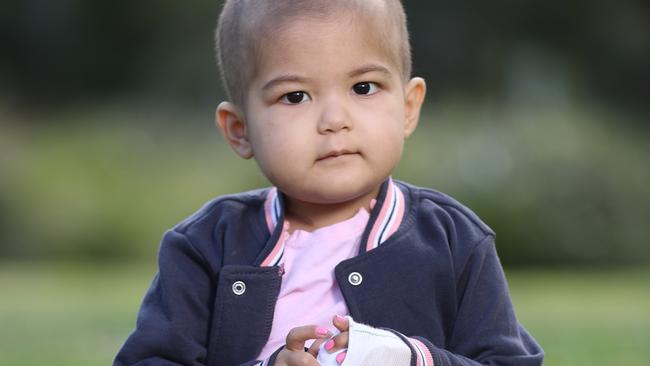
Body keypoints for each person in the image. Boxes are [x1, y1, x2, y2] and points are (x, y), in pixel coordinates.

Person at [114, 1, 544, 365]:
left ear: (408, 107)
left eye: (364, 87)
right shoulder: (206, 246)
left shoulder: (453, 241)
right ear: (239, 129)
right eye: (295, 96)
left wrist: (409, 356)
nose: (335, 120)